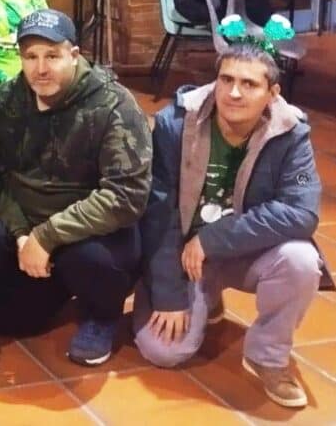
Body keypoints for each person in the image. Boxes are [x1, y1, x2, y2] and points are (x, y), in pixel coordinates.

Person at [0, 9, 151, 375]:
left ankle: (101, 315)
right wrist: (20, 233)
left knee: (91, 262)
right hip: (27, 223)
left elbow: (127, 196)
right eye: (30, 57)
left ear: (74, 55)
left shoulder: (114, 106)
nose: (40, 69)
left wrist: (47, 237)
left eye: (52, 56)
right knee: (10, 318)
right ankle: (11, 304)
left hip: (90, 232)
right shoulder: (6, 100)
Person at [134, 43, 331, 408]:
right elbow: (157, 212)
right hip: (182, 255)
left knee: (301, 260)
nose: (234, 92)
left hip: (240, 250)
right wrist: (168, 294)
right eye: (226, 79)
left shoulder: (290, 132)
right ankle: (203, 295)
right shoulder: (175, 124)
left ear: (273, 93)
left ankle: (268, 356)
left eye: (249, 84)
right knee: (163, 352)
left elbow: (302, 213)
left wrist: (213, 239)